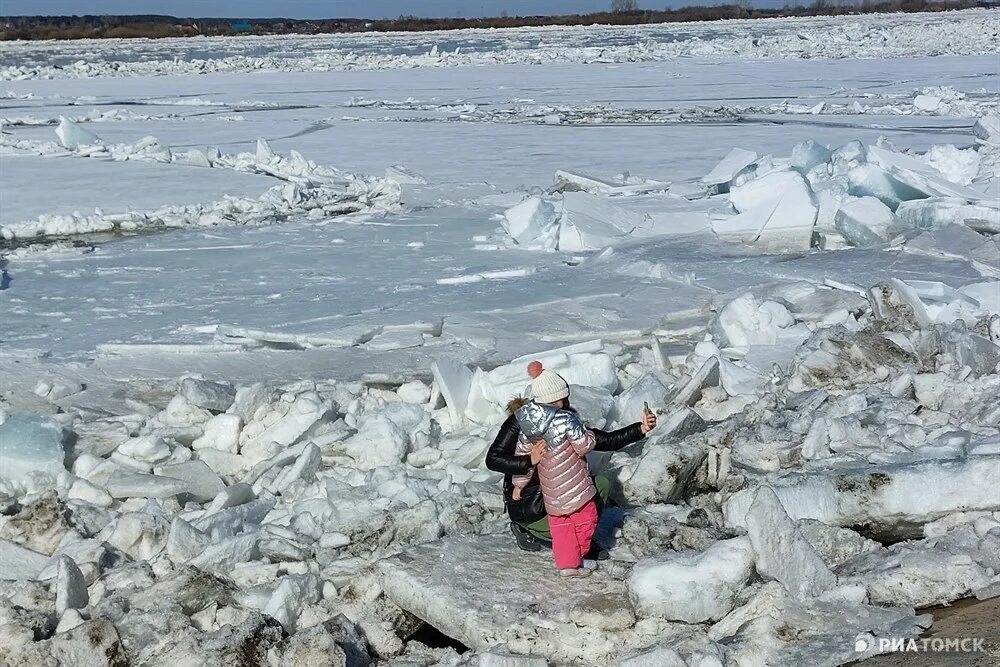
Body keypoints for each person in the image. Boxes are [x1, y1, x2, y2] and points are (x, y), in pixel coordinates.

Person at [485, 360, 657, 557]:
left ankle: (582, 540)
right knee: (564, 533)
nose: (565, 404)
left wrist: (641, 428)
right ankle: (525, 527)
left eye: (565, 399)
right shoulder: (518, 423)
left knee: (599, 484)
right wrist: (528, 461)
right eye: (559, 400)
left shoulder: (566, 419)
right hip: (532, 503)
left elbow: (603, 440)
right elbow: (493, 459)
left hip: (562, 494)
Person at [511, 390, 598, 577]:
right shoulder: (566, 419)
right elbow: (583, 446)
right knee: (586, 518)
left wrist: (519, 484)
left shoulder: (527, 428)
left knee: (561, 527)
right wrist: (588, 432)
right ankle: (579, 556)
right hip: (574, 485)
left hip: (551, 493)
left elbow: (523, 457)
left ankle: (568, 565)